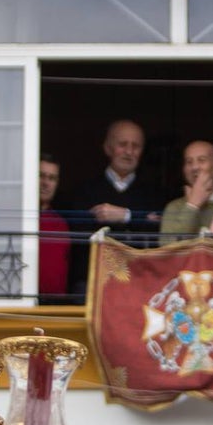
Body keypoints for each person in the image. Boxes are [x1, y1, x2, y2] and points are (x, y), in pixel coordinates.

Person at [66, 120, 164, 294]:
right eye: (122, 144)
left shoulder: (155, 194)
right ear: (108, 148)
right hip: (94, 283)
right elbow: (78, 235)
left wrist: (125, 216)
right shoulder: (84, 191)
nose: (129, 152)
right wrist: (139, 220)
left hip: (140, 281)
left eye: (136, 146)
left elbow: (159, 231)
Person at [160, 140, 213, 239]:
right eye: (189, 162)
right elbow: (168, 248)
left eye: (201, 160)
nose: (194, 167)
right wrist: (192, 205)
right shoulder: (174, 207)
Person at [38, 153, 71, 304]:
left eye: (52, 178)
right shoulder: (16, 219)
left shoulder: (61, 224)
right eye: (41, 176)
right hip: (19, 306)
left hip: (53, 309)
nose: (46, 183)